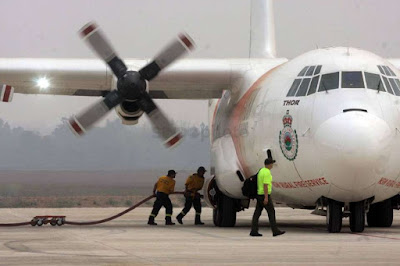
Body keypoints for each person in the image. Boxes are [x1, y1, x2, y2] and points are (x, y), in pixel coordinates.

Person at [250, 158, 285, 237]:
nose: (272, 165)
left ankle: (254, 230)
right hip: (264, 195)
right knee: (271, 212)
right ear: (269, 164)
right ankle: (275, 231)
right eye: (272, 163)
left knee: (257, 213)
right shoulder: (267, 172)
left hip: (259, 194)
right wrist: (266, 197)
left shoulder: (261, 171)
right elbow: (265, 185)